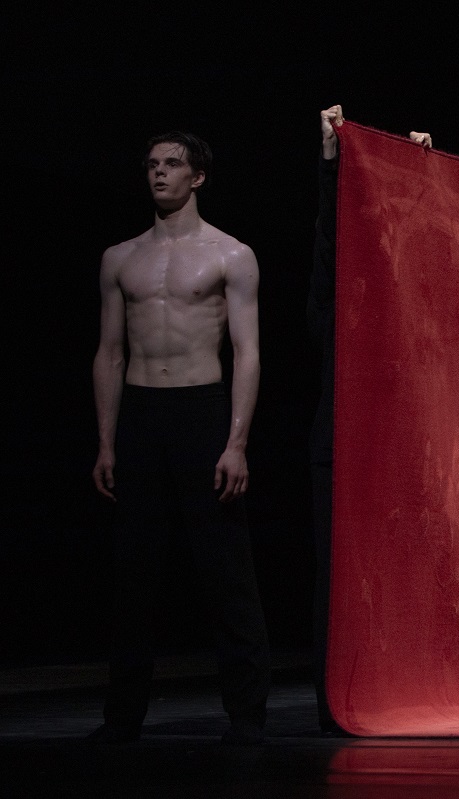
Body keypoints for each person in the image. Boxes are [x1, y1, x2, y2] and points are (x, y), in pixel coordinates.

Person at [89, 131, 271, 745]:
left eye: (172, 164)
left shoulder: (231, 254)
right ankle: (122, 718)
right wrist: (107, 441)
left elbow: (247, 353)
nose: (159, 173)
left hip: (201, 410)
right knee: (133, 573)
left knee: (225, 570)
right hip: (141, 414)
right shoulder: (121, 257)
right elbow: (110, 353)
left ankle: (247, 716)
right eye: (151, 164)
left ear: (198, 177)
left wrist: (236, 443)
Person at [309, 106, 430, 734]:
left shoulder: (416, 296)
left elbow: (432, 252)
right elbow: (331, 250)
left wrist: (418, 178)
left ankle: (406, 688)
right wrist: (333, 164)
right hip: (343, 435)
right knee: (339, 575)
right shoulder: (342, 298)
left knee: (406, 569)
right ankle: (341, 699)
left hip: (404, 442)